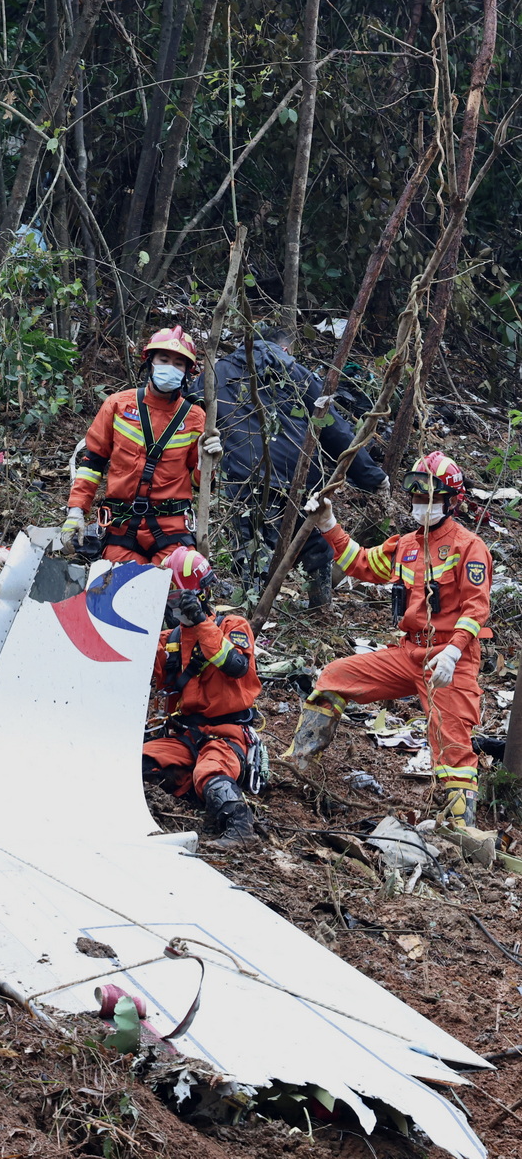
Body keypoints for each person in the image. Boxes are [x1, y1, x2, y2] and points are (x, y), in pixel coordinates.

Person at [284, 452, 491, 828]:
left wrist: (454, 652)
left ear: (451, 501)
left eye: (428, 498)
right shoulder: (405, 545)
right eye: (415, 498)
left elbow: (476, 608)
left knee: (453, 744)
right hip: (408, 651)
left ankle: (461, 831)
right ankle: (296, 767)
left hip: (449, 658)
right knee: (335, 677)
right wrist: (328, 522)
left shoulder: (468, 547)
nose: (420, 505)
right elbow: (360, 563)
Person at [190, 327, 389, 604]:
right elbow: (332, 427)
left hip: (245, 475)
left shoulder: (214, 374)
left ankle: (251, 613)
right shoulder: (295, 371)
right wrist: (370, 476)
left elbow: (188, 416)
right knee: (311, 537)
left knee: (252, 547)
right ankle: (320, 605)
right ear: (284, 349)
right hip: (299, 474)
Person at [60, 326, 221, 564]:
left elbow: (199, 484)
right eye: (164, 359)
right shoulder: (118, 406)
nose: (170, 367)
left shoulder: (196, 418)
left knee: (183, 587)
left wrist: (208, 460)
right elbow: (93, 462)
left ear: (188, 372)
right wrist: (76, 511)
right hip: (122, 526)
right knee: (117, 592)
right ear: (150, 362)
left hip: (172, 529)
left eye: (178, 364)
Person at [142, 546, 264, 849]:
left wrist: (200, 623)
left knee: (212, 773)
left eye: (177, 597)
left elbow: (235, 666)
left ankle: (241, 829)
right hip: (184, 736)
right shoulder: (168, 641)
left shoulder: (232, 627)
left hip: (226, 735)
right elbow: (134, 667)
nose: (172, 606)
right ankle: (191, 786)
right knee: (138, 762)